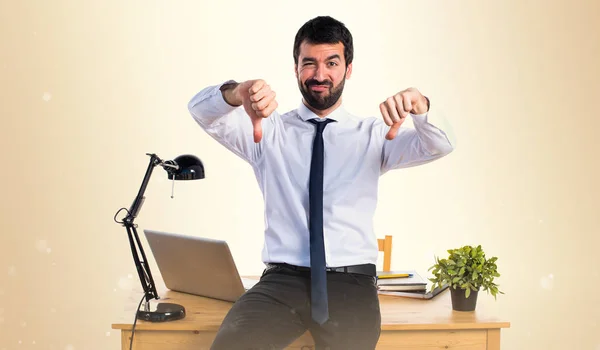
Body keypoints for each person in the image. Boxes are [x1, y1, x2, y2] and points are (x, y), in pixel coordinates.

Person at [187, 15, 455, 350]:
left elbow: (440, 145)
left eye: (332, 62)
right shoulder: (268, 132)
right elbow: (200, 111)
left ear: (349, 68)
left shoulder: (374, 134)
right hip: (281, 284)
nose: (320, 74)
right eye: (309, 63)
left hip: (352, 285)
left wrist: (421, 106)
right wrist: (237, 93)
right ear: (296, 68)